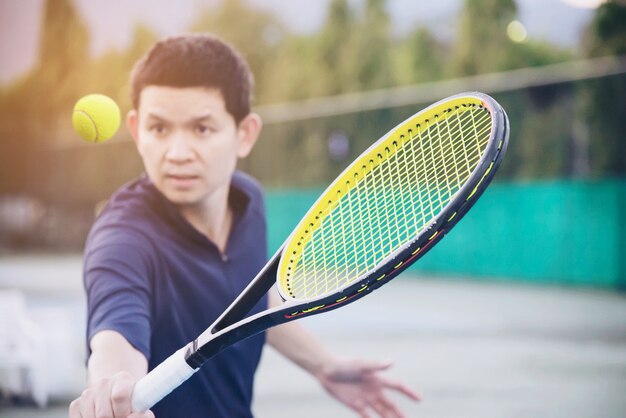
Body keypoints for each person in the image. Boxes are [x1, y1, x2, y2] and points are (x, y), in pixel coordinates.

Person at [69, 33, 419, 418]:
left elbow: (248, 300)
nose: (178, 153)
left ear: (245, 134)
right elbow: (114, 337)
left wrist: (323, 365)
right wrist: (112, 389)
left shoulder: (249, 201)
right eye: (159, 129)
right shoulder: (120, 238)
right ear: (136, 131)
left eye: (202, 129)